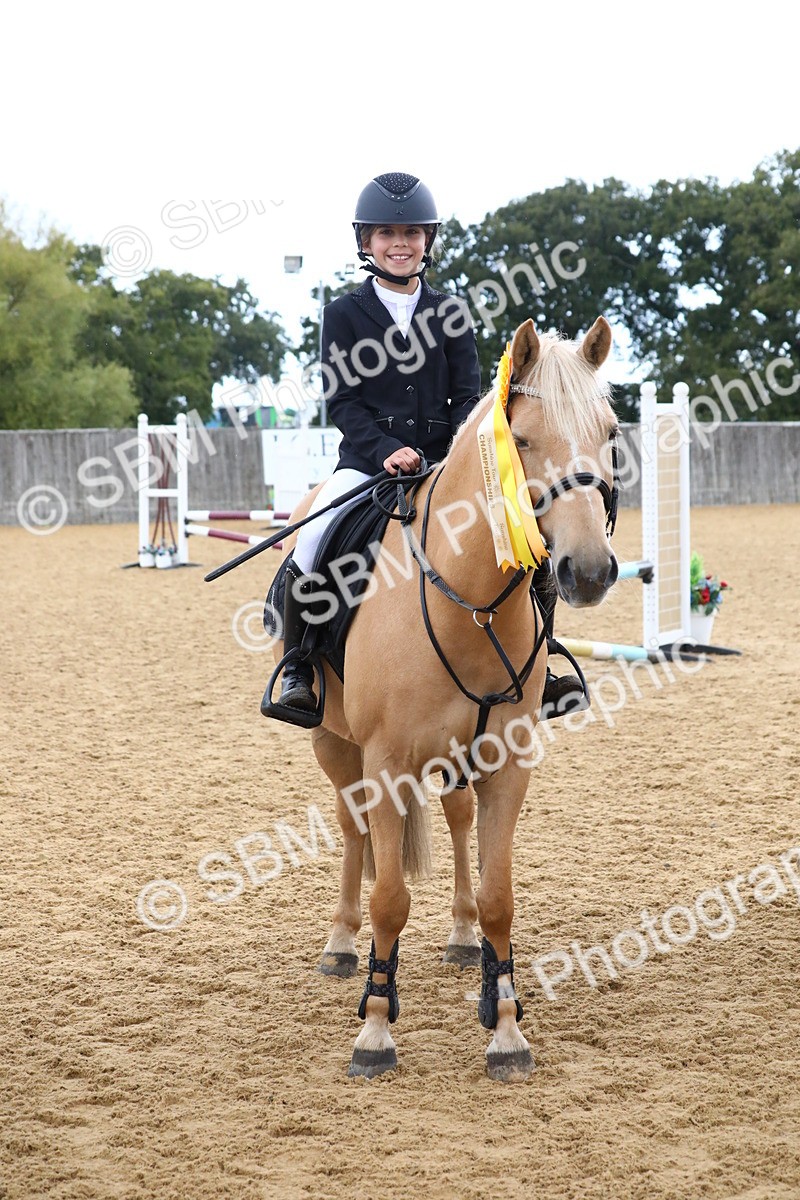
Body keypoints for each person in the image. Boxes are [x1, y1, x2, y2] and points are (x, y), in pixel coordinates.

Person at [262, 171, 582, 721]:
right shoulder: (342, 315)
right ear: (366, 242)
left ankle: (543, 661)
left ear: (427, 241)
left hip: (447, 464)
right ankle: (299, 666)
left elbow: (468, 399)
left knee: (530, 540)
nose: (400, 244)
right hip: (368, 467)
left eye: (411, 233)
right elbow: (343, 402)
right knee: (313, 539)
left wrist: (453, 454)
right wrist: (384, 448)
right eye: (387, 234)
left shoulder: (450, 313)